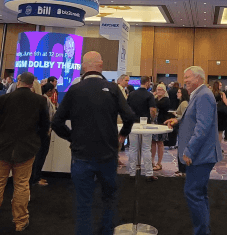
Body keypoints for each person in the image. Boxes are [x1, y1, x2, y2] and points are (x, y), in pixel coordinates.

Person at [52, 51, 136, 235]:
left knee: (83, 203)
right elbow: (130, 116)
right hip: (108, 154)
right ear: (101, 65)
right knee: (109, 200)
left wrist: (72, 137)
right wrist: (122, 135)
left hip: (81, 155)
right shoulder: (113, 89)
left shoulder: (74, 90)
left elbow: (56, 122)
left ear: (83, 67)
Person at [0, 72, 49, 235]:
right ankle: (20, 222)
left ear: (18, 81)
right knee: (22, 186)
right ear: (32, 84)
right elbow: (45, 127)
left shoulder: (2, 99)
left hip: (0, 150)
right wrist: (35, 144)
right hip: (26, 151)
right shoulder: (40, 101)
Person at [164, 66, 223, 235]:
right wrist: (179, 120)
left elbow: (203, 127)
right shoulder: (199, 94)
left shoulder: (203, 95)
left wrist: (189, 151)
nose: (185, 81)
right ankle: (204, 230)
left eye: (187, 77)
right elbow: (195, 118)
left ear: (198, 78)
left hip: (201, 155)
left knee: (193, 193)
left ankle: (202, 231)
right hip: (201, 154)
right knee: (199, 194)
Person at [126, 76, 157, 181]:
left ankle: (132, 173)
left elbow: (127, 108)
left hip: (133, 123)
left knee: (133, 148)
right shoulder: (149, 95)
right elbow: (152, 110)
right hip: (145, 124)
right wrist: (152, 119)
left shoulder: (131, 94)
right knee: (146, 149)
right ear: (148, 82)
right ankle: (148, 173)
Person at [30, 82, 57, 186]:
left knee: (41, 155)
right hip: (42, 132)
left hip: (44, 131)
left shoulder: (46, 100)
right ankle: (35, 178)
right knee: (39, 155)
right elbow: (46, 117)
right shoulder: (44, 100)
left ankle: (37, 176)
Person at [151, 83, 171, 171]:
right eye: (157, 90)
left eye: (160, 90)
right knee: (152, 142)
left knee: (160, 143)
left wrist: (152, 100)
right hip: (154, 122)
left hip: (161, 123)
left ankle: (159, 163)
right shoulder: (155, 99)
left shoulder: (166, 100)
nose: (158, 91)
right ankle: (151, 161)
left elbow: (158, 105)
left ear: (164, 91)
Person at [174, 87, 190, 177]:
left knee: (182, 149)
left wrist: (176, 116)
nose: (177, 94)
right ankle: (181, 169)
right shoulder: (183, 102)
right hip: (182, 128)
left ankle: (183, 170)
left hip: (183, 129)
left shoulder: (184, 103)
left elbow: (185, 116)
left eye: (179, 92)